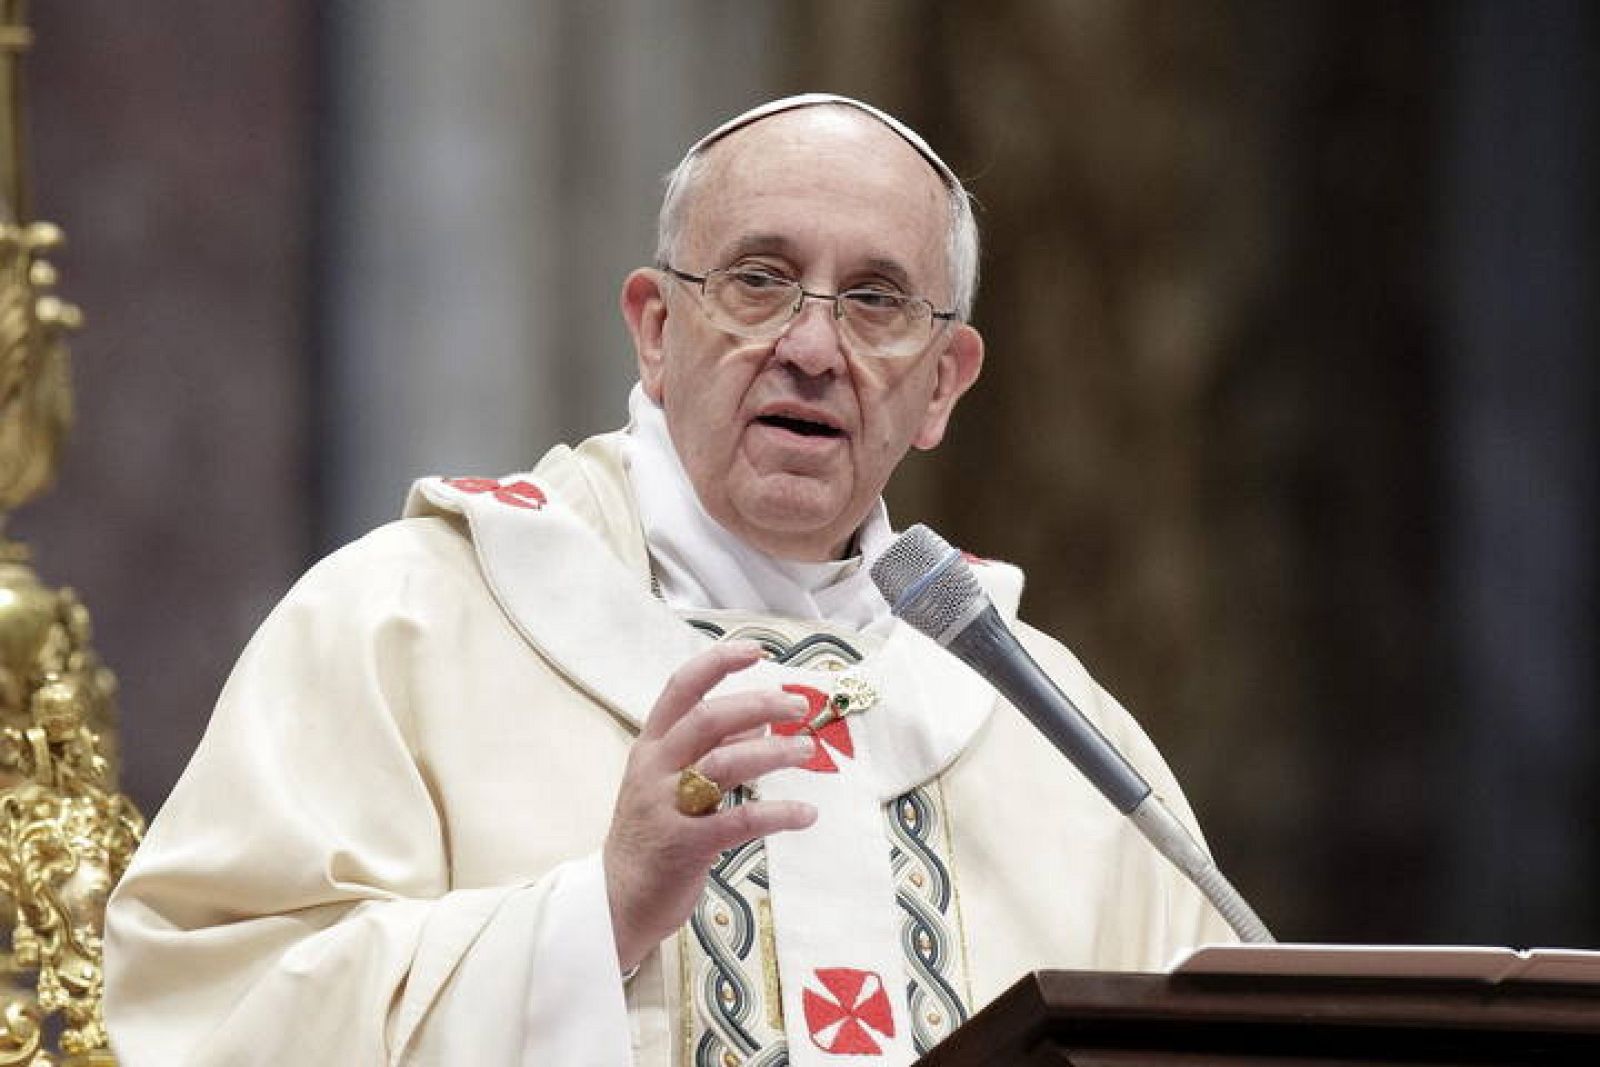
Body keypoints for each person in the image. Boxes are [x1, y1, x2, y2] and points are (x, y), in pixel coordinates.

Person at [104, 94, 1234, 1066]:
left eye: (877, 300)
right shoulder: (402, 624)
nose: (812, 348)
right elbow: (208, 1016)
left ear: (943, 382)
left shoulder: (1050, 725)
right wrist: (594, 915)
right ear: (654, 328)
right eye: (759, 280)